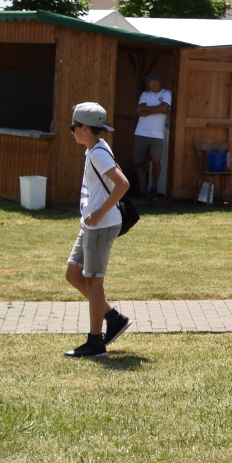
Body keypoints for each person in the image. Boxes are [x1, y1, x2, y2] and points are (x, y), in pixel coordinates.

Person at [63, 102, 132, 359]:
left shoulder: (97, 153)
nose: (71, 131)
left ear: (83, 128)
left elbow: (122, 183)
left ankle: (95, 342)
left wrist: (100, 212)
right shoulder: (96, 148)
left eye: (73, 127)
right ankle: (113, 318)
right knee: (73, 274)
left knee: (94, 281)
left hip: (101, 226)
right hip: (91, 225)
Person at [133, 74, 171, 199]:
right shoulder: (145, 94)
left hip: (157, 134)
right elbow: (139, 110)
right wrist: (158, 109)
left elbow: (165, 108)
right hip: (141, 132)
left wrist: (147, 110)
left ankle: (154, 188)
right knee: (141, 163)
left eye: (149, 80)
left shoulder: (166, 93)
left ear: (157, 82)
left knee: (156, 160)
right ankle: (142, 192)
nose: (147, 83)